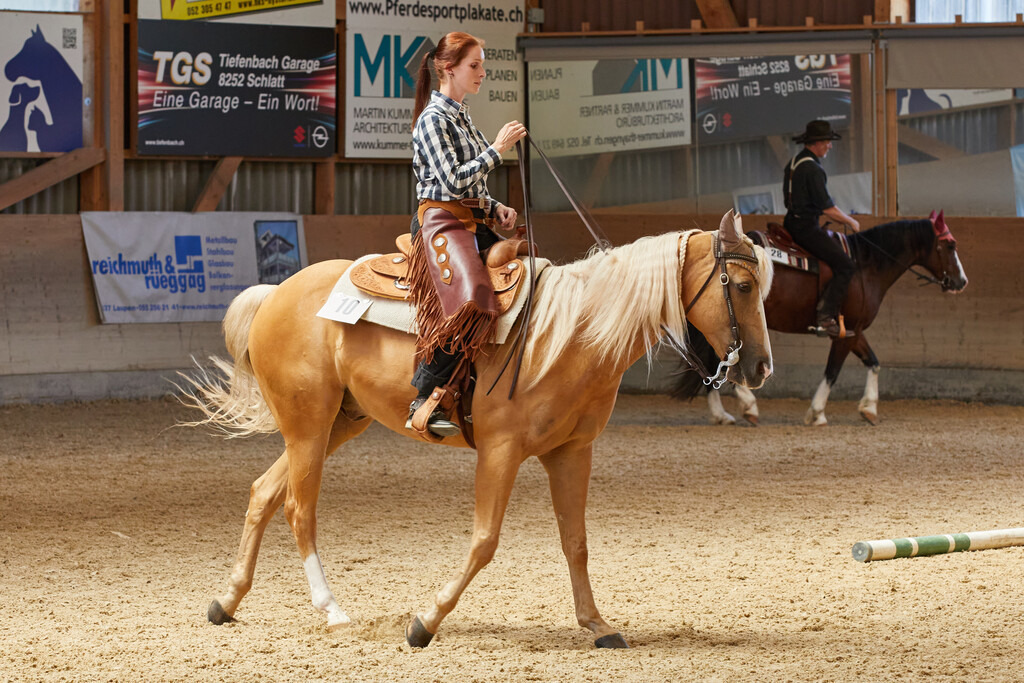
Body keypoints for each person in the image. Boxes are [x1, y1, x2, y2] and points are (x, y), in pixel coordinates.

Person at [404, 31, 527, 437]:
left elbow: (472, 189)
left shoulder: (461, 115)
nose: (482, 73)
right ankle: (424, 397)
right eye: (475, 65)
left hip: (471, 221)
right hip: (440, 222)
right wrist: (497, 149)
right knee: (471, 294)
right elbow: (454, 182)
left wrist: (496, 209)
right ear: (448, 68)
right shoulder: (432, 120)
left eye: (482, 65)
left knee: (529, 270)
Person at [783, 119, 861, 338]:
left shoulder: (794, 163)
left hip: (790, 222)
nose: (830, 146)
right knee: (846, 266)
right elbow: (828, 208)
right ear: (816, 143)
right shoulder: (813, 169)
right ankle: (825, 317)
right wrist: (850, 221)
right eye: (827, 141)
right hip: (806, 228)